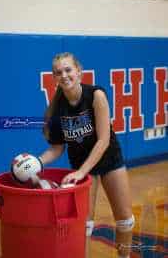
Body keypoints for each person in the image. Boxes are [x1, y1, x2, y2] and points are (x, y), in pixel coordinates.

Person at [39, 52, 135, 258]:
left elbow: (103, 140)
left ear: (79, 71)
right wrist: (36, 162)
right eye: (58, 72)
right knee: (83, 226)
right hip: (81, 164)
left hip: (108, 158)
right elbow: (57, 148)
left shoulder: (96, 95)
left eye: (68, 70)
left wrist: (81, 172)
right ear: (54, 78)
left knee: (125, 220)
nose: (64, 75)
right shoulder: (56, 110)